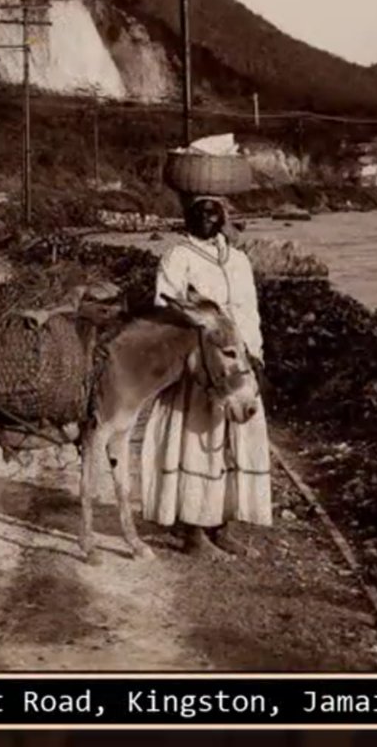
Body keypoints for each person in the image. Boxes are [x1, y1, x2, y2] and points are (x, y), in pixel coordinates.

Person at [141, 193, 272, 559]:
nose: (207, 218)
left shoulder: (239, 260)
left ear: (223, 217)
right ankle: (194, 531)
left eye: (214, 211)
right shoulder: (178, 256)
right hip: (199, 362)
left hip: (236, 359)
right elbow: (165, 305)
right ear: (187, 216)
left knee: (235, 439)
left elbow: (249, 311)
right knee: (195, 441)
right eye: (199, 211)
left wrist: (255, 354)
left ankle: (222, 525)